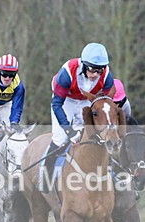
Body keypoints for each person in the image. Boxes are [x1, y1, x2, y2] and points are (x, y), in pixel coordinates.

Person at [41, 42, 116, 189]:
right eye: (92, 69)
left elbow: (105, 103)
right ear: (84, 65)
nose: (96, 75)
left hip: (87, 101)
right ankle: (45, 180)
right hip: (66, 101)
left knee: (98, 135)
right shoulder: (67, 73)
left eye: (99, 70)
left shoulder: (107, 77)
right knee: (60, 139)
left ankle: (110, 176)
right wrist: (69, 130)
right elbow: (57, 105)